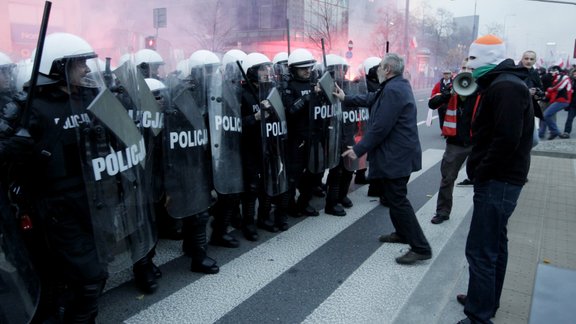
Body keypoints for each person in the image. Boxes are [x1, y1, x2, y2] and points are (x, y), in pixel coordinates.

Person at [456, 35, 534, 324]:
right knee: (495, 245)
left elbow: (506, 139)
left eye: (474, 58)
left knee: (481, 250)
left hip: (499, 181)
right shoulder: (502, 84)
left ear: (490, 58)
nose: (469, 64)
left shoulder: (505, 88)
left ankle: (478, 316)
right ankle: (484, 300)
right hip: (502, 179)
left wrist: (482, 171)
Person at [336, 53, 432, 265]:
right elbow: (370, 99)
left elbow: (380, 126)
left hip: (397, 156)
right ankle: (402, 233)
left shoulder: (394, 90)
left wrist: (358, 149)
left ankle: (420, 247)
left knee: (397, 199)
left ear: (387, 69)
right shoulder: (394, 86)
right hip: (396, 154)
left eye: (380, 66)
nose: (377, 70)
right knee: (392, 196)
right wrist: (345, 98)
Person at [429, 59, 477, 225]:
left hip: (477, 143)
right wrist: (448, 93)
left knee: (483, 180)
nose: (466, 71)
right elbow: (432, 104)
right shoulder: (451, 88)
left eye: (470, 68)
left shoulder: (483, 90)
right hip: (455, 143)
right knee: (447, 178)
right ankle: (442, 212)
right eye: (463, 67)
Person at [539, 65, 572, 140]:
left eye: (553, 70)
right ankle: (549, 132)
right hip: (558, 101)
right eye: (551, 70)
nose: (551, 72)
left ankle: (555, 131)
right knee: (546, 115)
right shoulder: (555, 79)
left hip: (563, 100)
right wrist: (546, 94)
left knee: (546, 115)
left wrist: (549, 90)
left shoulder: (564, 77)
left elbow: (559, 86)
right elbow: (552, 91)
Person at [559, 68, 576, 138]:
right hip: (573, 104)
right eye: (574, 74)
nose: (575, 75)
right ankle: (566, 132)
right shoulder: (571, 81)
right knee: (569, 118)